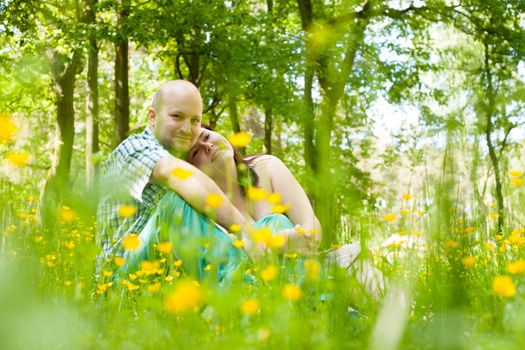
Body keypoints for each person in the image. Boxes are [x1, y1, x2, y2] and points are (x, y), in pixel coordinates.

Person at [96, 80, 260, 279]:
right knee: (174, 205)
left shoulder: (182, 159)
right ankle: (246, 291)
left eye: (195, 121)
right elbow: (177, 174)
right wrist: (245, 231)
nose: (187, 128)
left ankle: (297, 293)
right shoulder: (135, 148)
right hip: (119, 281)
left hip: (165, 275)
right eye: (177, 116)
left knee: (274, 222)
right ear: (153, 117)